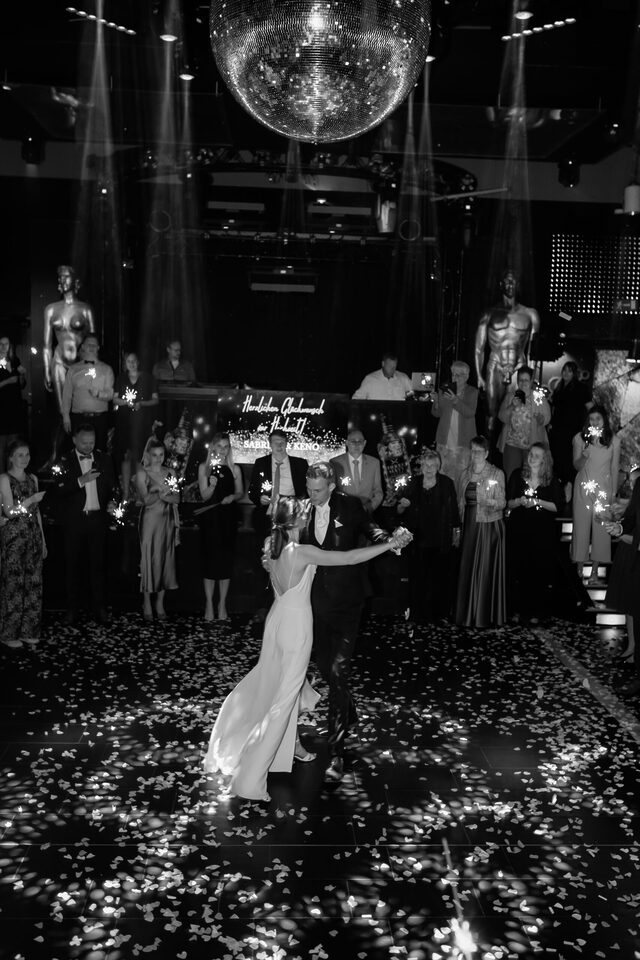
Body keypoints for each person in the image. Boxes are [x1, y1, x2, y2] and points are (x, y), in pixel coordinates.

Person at [203, 497, 410, 801]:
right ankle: (250, 778)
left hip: (276, 622)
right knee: (284, 699)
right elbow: (350, 558)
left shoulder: (271, 546)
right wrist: (389, 544)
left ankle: (290, 748)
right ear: (297, 522)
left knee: (279, 686)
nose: (307, 516)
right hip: (295, 628)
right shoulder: (301, 552)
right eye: (303, 514)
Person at [300, 461, 396, 782]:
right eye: (308, 489)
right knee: (325, 667)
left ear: (331, 487)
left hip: (348, 603)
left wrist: (391, 540)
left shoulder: (351, 506)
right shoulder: (303, 509)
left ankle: (336, 754)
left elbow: (372, 529)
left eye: (317, 490)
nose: (312, 495)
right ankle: (348, 708)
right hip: (315, 603)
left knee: (339, 674)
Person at [55, 421, 115, 625]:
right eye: (84, 442)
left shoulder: (105, 459)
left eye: (92, 442)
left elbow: (113, 487)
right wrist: (83, 479)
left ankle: (100, 608)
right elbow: (59, 489)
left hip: (97, 519)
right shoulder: (64, 460)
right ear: (74, 440)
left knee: (98, 566)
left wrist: (113, 502)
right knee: (72, 566)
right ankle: (72, 609)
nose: (89, 446)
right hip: (74, 521)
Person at [475, 269, 540, 434]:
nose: (510, 285)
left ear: (518, 285)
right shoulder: (489, 314)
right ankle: (488, 447)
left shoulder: (530, 314)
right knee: (491, 413)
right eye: (507, 281)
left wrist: (532, 377)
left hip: (519, 366)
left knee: (518, 412)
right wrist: (479, 376)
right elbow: (479, 348)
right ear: (501, 284)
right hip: (496, 364)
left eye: (513, 281)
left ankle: (512, 447)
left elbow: (533, 351)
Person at [398, 448, 460, 622]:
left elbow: (454, 511)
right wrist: (403, 505)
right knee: (418, 578)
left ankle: (438, 614)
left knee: (439, 579)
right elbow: (400, 510)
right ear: (421, 466)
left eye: (432, 465)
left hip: (440, 539)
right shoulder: (413, 482)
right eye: (425, 465)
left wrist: (456, 534)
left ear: (438, 466)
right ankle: (417, 613)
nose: (429, 468)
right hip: (417, 539)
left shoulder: (447, 483)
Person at [505, 443, 565, 621]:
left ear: (544, 460)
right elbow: (508, 502)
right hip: (519, 530)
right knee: (519, 569)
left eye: (537, 456)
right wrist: (519, 501)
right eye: (530, 454)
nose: (532, 458)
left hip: (542, 532)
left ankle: (537, 612)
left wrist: (538, 502)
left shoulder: (551, 479)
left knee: (538, 571)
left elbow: (558, 506)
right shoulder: (517, 475)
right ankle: (517, 610)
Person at [455, 436, 506, 628]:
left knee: (483, 569)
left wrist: (491, 502)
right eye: (473, 450)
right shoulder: (464, 473)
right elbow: (460, 502)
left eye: (479, 451)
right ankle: (465, 613)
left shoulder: (496, 473)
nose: (475, 454)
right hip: (469, 525)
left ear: (486, 453)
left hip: (487, 526)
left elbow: (502, 502)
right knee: (468, 567)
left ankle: (482, 615)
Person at [0, 439, 47, 649]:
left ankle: (29, 630)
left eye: (27, 454)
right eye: (20, 454)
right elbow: (9, 512)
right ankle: (9, 633)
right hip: (14, 536)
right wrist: (29, 501)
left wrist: (43, 540)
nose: (25, 458)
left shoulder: (32, 478)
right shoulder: (4, 479)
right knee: (13, 584)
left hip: (33, 535)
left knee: (34, 584)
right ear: (11, 457)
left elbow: (37, 514)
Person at [196, 433, 243, 621]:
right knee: (210, 561)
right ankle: (209, 603)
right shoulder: (204, 467)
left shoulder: (234, 468)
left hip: (228, 518)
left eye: (226, 446)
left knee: (225, 561)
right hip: (210, 519)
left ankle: (221, 603)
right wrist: (212, 486)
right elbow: (204, 496)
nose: (223, 450)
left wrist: (233, 497)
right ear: (213, 447)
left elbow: (240, 492)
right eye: (220, 446)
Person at [571, 406, 621, 580]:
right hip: (583, 488)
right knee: (581, 528)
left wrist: (613, 494)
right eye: (591, 419)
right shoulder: (580, 438)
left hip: (603, 490)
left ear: (604, 419)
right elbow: (576, 465)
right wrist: (584, 455)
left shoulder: (614, 441)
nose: (594, 422)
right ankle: (579, 567)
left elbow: (614, 468)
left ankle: (594, 570)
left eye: (598, 418)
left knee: (601, 530)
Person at [135, 438, 180, 621]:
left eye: (161, 454)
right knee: (148, 560)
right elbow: (145, 500)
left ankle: (160, 602)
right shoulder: (142, 473)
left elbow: (177, 498)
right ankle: (146, 602)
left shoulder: (170, 472)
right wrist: (160, 492)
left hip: (167, 520)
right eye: (154, 455)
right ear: (148, 455)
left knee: (165, 560)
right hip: (149, 521)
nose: (158, 458)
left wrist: (165, 495)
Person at [43, 264, 95, 414]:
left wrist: (94, 369)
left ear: (75, 281)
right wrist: (46, 370)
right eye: (60, 277)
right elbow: (46, 345)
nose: (62, 280)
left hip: (80, 364)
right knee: (62, 411)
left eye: (66, 277)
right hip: (59, 362)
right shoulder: (51, 309)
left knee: (80, 409)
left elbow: (93, 343)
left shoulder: (85, 309)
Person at [604, 465, 640, 662]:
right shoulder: (632, 498)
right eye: (631, 481)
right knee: (629, 606)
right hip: (628, 557)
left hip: (634, 555)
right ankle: (632, 647)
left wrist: (620, 533)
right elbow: (629, 520)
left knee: (633, 606)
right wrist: (616, 524)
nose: (632, 485)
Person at [112, 352, 159, 499]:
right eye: (128, 361)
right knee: (126, 456)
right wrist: (125, 402)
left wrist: (141, 403)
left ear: (138, 362)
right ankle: (126, 492)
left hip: (142, 422)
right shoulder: (121, 378)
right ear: (125, 364)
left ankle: (140, 492)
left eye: (134, 361)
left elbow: (155, 399)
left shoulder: (148, 378)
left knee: (140, 457)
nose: (131, 364)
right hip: (124, 422)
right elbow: (115, 399)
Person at [248, 429, 309, 542]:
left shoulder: (300, 464)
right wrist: (260, 499)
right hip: (267, 514)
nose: (279, 445)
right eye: (276, 442)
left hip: (293, 514)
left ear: (286, 443)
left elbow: (307, 491)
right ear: (270, 444)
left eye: (282, 442)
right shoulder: (260, 463)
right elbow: (252, 491)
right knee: (265, 546)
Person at [497, 366, 551, 482]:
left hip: (532, 446)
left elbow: (547, 418)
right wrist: (512, 406)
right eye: (520, 380)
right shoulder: (510, 396)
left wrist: (541, 419)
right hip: (512, 444)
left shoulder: (538, 397)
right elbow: (501, 416)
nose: (523, 383)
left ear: (531, 381)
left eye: (526, 380)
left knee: (531, 476)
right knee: (511, 477)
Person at [61, 335, 114, 453]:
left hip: (99, 419)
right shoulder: (73, 369)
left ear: (98, 347)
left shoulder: (107, 369)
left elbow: (110, 394)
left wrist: (99, 394)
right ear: (83, 347)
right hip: (79, 418)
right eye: (88, 344)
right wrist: (65, 416)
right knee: (78, 451)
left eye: (94, 345)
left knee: (99, 451)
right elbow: (67, 394)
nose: (91, 347)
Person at [431, 360, 478, 489]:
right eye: (453, 374)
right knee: (442, 477)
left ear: (466, 376)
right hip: (444, 441)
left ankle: (459, 502)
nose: (454, 378)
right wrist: (436, 402)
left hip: (463, 443)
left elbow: (470, 412)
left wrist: (455, 400)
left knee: (461, 480)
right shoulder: (445, 389)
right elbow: (437, 413)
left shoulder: (472, 392)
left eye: (458, 375)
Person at [548, 361, 592, 499]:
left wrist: (590, 425)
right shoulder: (559, 387)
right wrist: (551, 424)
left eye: (569, 371)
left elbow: (590, 407)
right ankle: (558, 489)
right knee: (557, 459)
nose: (566, 373)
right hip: (557, 430)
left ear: (574, 373)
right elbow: (554, 408)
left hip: (572, 430)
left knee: (570, 460)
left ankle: (569, 487)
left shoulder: (581, 388)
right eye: (564, 370)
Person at [330, 429, 383, 514]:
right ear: (347, 443)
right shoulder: (335, 463)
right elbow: (331, 491)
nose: (356, 445)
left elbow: (378, 492)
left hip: (366, 514)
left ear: (364, 443)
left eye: (360, 442)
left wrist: (369, 508)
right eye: (353, 441)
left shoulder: (374, 463)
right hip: (343, 513)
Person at [0, 336, 27, 471]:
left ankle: (12, 477)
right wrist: (7, 381)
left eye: (6, 344)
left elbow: (21, 385)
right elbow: (10, 381)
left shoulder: (15, 360)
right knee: (1, 447)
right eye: (1, 344)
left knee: (13, 447)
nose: (4, 346)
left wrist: (22, 375)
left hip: (14, 408)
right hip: (1, 408)